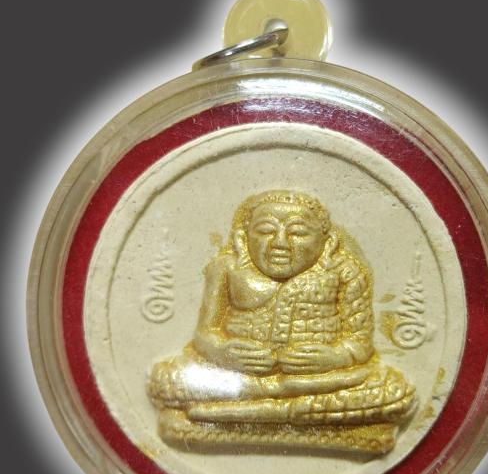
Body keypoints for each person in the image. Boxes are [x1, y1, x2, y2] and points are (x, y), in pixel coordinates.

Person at [148, 191, 416, 451]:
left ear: (328, 242)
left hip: (318, 383)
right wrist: (222, 351)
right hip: (239, 379)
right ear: (243, 239)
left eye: (297, 233)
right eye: (266, 231)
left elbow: (360, 343)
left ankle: (224, 414)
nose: (280, 243)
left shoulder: (345, 272)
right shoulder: (226, 268)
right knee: (168, 379)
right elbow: (205, 335)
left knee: (392, 389)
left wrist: (334, 357)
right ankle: (291, 413)